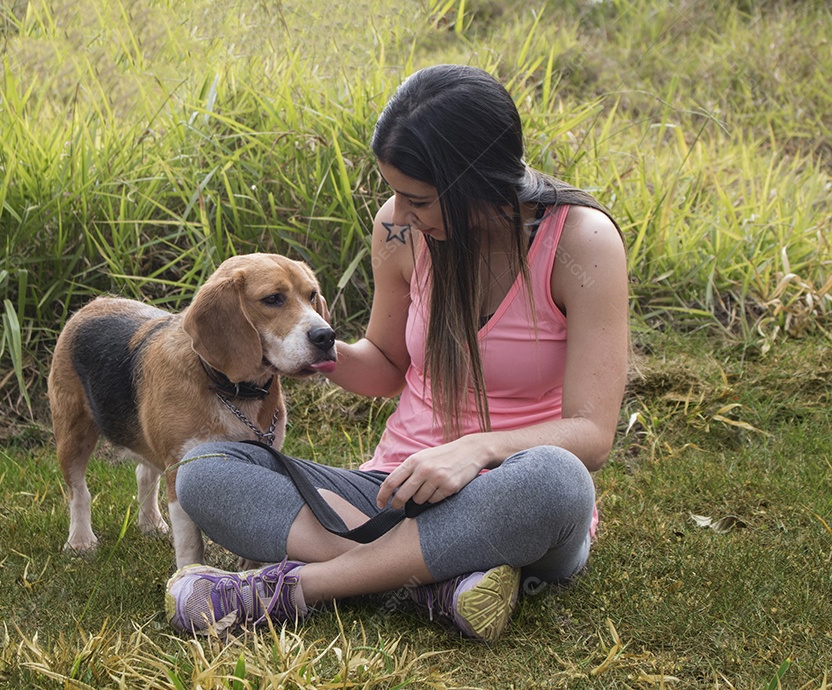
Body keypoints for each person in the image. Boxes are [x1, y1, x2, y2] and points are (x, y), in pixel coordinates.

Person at [163, 64, 629, 641]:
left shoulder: (581, 242)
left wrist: (474, 451)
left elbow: (592, 433)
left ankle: (289, 590)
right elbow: (385, 367)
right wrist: (308, 344)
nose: (398, 216)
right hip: (390, 488)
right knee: (203, 472)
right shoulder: (400, 229)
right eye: (393, 194)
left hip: (510, 490)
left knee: (560, 482)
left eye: (418, 199)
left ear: (475, 184)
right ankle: (437, 577)